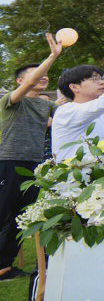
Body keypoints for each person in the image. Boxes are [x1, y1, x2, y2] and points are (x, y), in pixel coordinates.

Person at [0, 33, 62, 281]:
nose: (43, 76)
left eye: (45, 73)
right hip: (9, 161)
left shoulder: (47, 105)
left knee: (20, 216)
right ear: (19, 81)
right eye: (37, 74)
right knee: (3, 213)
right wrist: (53, 56)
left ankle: (4, 265)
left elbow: (70, 116)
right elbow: (26, 88)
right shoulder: (10, 101)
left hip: (34, 165)